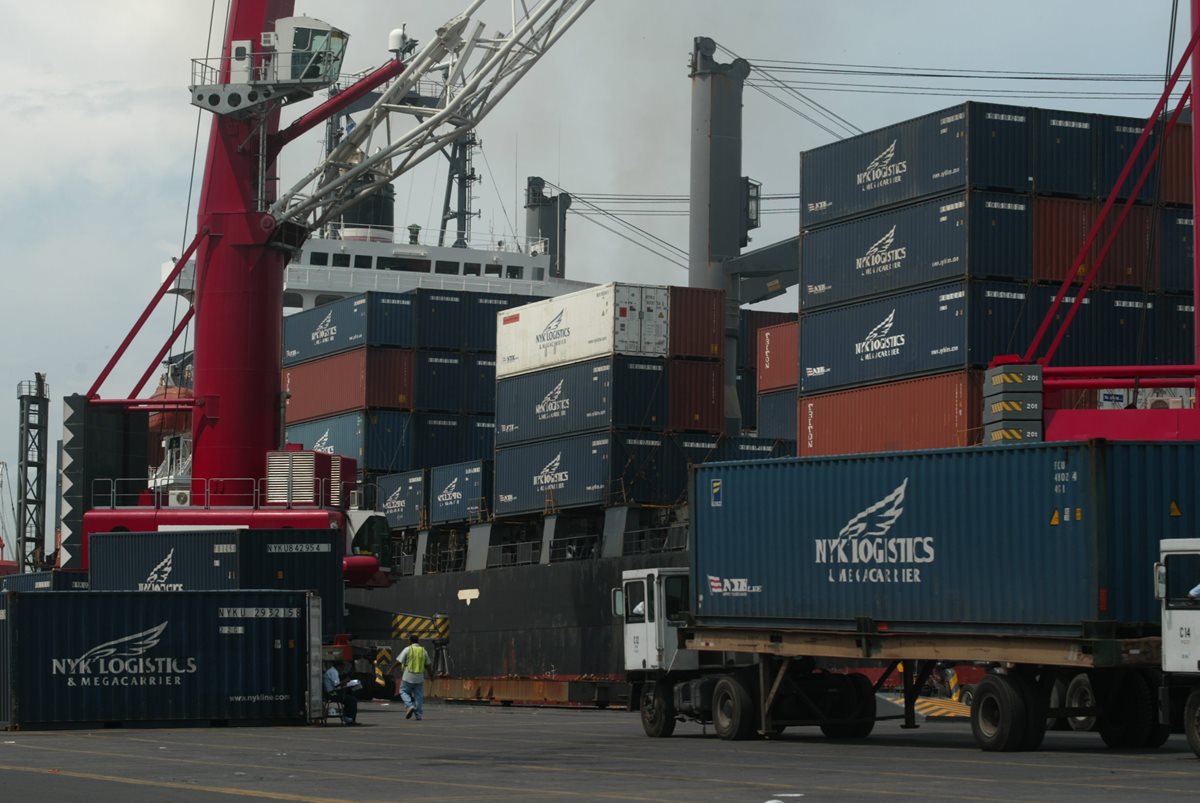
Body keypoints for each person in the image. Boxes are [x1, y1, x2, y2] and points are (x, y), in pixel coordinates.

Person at [391, 635, 429, 721]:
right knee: (418, 696)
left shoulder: (407, 649)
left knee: (403, 691)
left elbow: (399, 661)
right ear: (418, 641)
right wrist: (431, 675)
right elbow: (428, 665)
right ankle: (418, 715)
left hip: (408, 675)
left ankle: (409, 705)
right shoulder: (423, 651)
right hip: (419, 677)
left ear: (410, 641)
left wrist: (391, 669)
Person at [323, 660, 359, 725]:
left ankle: (348, 717)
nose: (342, 669)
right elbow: (336, 684)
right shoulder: (333, 672)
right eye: (342, 667)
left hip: (333, 692)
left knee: (350, 697)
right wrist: (345, 681)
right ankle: (350, 719)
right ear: (338, 666)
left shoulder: (332, 671)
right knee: (353, 700)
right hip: (332, 694)